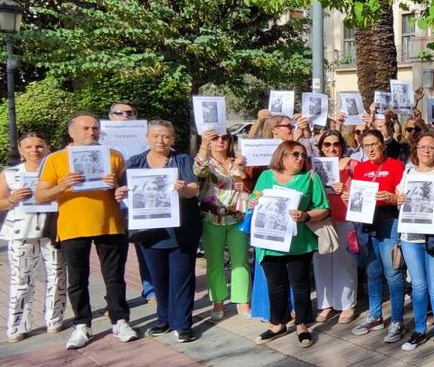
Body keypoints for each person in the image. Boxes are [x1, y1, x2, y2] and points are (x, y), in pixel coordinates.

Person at [35, 113, 137, 349]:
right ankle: (82, 324)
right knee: (77, 279)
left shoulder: (114, 156)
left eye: (95, 128)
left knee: (114, 277)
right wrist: (63, 185)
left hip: (109, 224)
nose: (91, 132)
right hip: (73, 226)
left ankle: (120, 320)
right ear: (71, 132)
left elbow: (126, 190)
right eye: (85, 128)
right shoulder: (55, 159)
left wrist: (118, 187)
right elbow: (40, 195)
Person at [124, 121, 201, 343]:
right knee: (158, 278)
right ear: (147, 137)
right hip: (149, 231)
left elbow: (193, 189)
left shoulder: (182, 159)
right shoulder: (135, 162)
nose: (161, 141)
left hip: (181, 230)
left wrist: (183, 189)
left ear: (173, 139)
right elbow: (126, 191)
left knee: (182, 278)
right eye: (156, 136)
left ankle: (183, 324)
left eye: (166, 137)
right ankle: (164, 319)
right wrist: (121, 193)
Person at [248, 140, 330, 347]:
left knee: (300, 285)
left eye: (303, 155)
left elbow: (324, 208)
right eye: (295, 154)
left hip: (299, 244)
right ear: (282, 156)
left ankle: (302, 324)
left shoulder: (310, 178)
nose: (301, 158)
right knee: (275, 286)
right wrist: (252, 202)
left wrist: (306, 216)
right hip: (269, 243)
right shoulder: (266, 176)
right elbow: (255, 198)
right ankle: (278, 323)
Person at [0, 132, 65, 342]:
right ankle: (18, 325)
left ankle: (54, 318)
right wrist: (11, 199)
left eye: (39, 146)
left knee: (58, 275)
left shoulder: (58, 171)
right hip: (21, 231)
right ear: (21, 150)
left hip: (53, 229)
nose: (35, 151)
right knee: (21, 279)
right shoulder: (9, 174)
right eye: (29, 147)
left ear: (47, 147)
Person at [395, 132, 434, 354]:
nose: (427, 151)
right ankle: (420, 330)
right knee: (418, 287)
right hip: (411, 238)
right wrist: (398, 200)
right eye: (422, 147)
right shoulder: (408, 173)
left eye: (431, 147)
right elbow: (399, 199)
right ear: (416, 150)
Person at [348, 129, 408, 342]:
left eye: (374, 144)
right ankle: (375, 316)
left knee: (393, 272)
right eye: (366, 146)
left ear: (382, 144)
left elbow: (403, 197)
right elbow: (357, 196)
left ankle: (397, 321)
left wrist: (392, 198)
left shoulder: (396, 165)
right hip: (367, 224)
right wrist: (349, 199)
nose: (371, 149)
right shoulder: (361, 168)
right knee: (372, 272)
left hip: (389, 221)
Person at [194, 130, 251, 319]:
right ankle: (217, 301)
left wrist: (244, 183)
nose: (220, 141)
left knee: (240, 260)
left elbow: (251, 187)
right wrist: (203, 145)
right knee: (214, 262)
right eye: (215, 138)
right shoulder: (205, 161)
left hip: (236, 218)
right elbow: (198, 171)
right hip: (211, 217)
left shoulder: (239, 160)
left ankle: (242, 300)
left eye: (224, 137)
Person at [108, 101, 155, 305]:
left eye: (130, 112)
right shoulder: (101, 143)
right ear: (111, 117)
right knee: (115, 255)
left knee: (146, 247)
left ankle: (151, 290)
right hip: (112, 205)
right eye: (119, 113)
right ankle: (115, 299)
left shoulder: (147, 140)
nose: (125, 116)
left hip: (140, 203)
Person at [313, 129, 360, 324]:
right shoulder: (313, 165)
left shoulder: (353, 164)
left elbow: (364, 188)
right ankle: (326, 305)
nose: (332, 148)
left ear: (342, 146)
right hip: (320, 220)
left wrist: (347, 189)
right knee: (322, 262)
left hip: (344, 218)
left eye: (336, 144)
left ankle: (347, 304)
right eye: (327, 144)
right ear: (321, 147)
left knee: (345, 263)